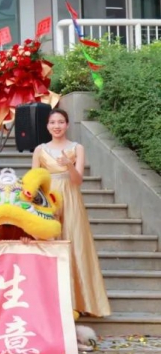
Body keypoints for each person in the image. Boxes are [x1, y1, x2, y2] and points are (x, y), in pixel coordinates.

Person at [32, 109, 111, 319]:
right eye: (52, 122)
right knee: (50, 244)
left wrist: (69, 166)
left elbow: (78, 180)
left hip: (72, 199)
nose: (56, 126)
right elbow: (33, 181)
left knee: (75, 244)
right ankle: (50, 300)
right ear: (47, 126)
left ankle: (80, 300)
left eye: (61, 122)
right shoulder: (40, 150)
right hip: (48, 201)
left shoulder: (77, 148)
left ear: (67, 125)